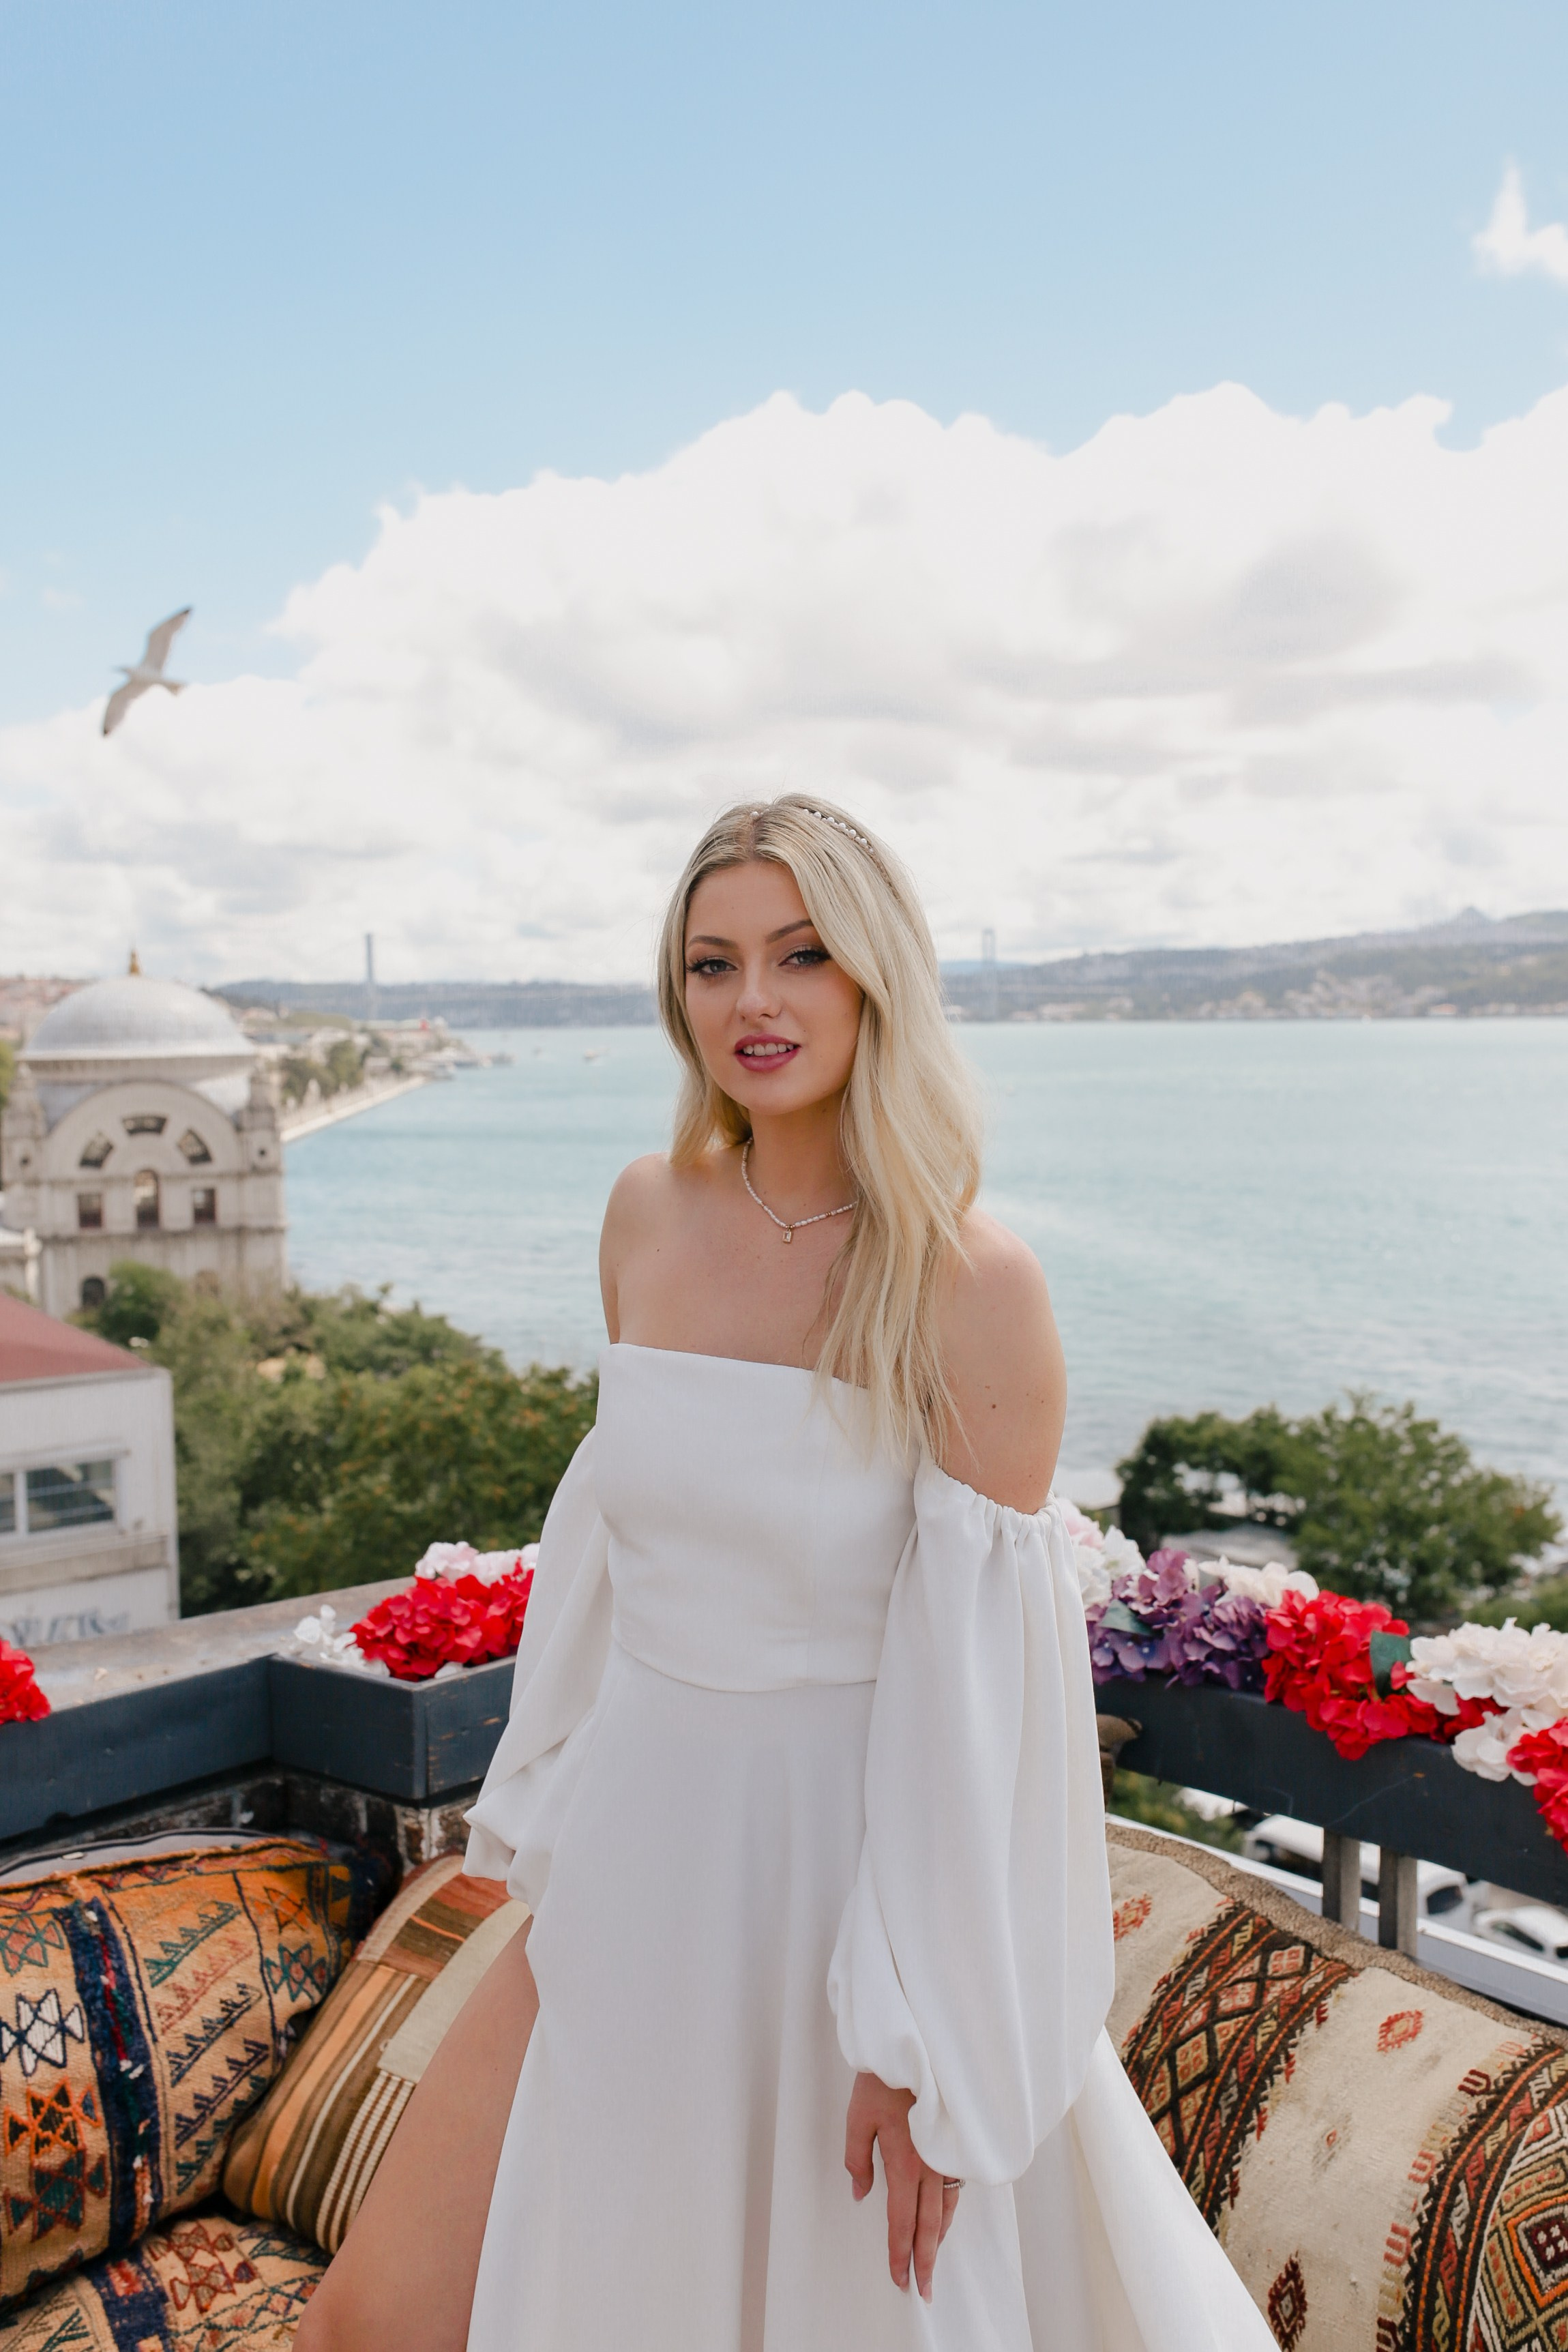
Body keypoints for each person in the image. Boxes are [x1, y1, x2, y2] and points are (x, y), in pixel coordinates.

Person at [297, 796, 1273, 2352]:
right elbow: (617, 1549)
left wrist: (924, 2029)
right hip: (634, 1859)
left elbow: (985, 1706)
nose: (753, 1000)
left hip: (848, 1899)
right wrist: (546, 1819)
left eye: (800, 953)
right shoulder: (643, 1213)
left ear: (874, 974)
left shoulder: (968, 1282)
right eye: (713, 961)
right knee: (376, 2315)